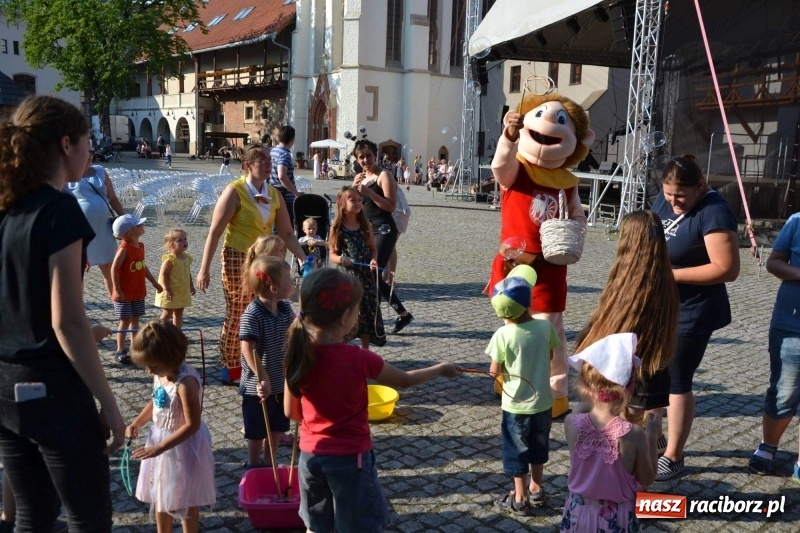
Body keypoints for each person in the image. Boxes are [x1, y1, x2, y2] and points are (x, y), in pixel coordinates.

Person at [0, 95, 125, 531]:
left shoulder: (7, 209)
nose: (91, 150)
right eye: (88, 139)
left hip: (4, 385)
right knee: (88, 519)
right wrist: (110, 405)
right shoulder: (59, 210)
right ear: (67, 143)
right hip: (51, 389)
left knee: (32, 517)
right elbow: (65, 320)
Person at [283, 268, 462, 532]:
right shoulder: (358, 358)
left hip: (310, 458)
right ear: (346, 317)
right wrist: (440, 368)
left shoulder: (298, 354)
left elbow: (291, 412)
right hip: (350, 458)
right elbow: (404, 380)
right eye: (356, 309)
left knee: (315, 526)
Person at [651, 155, 739, 480]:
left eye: (681, 196)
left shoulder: (714, 211)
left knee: (677, 379)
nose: (673, 202)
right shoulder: (665, 199)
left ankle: (674, 455)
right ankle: (656, 436)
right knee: (653, 372)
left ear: (700, 186)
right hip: (661, 306)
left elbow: (726, 269)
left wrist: (672, 275)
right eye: (668, 194)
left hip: (694, 310)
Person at [195, 143, 306, 384]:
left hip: (267, 260)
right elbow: (215, 232)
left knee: (269, 309)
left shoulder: (274, 193)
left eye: (269, 159)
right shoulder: (234, 191)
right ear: (247, 166)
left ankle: (262, 360)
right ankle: (231, 367)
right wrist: (204, 269)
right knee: (238, 313)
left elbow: (287, 233)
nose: (268, 164)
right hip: (237, 257)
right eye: (262, 160)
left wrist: (303, 258)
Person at [575, 210, 678, 445]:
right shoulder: (665, 279)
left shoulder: (631, 280)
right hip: (654, 369)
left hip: (633, 372)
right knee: (641, 429)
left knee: (626, 436)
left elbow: (615, 328)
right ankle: (654, 442)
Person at [561, 333, 658, 532]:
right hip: (617, 518)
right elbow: (647, 479)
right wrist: (652, 436)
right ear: (629, 387)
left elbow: (580, 409)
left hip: (578, 512)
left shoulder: (572, 423)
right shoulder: (635, 434)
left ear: (585, 386)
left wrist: (591, 398)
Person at [126, 321, 216, 533]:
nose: (149, 371)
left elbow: (192, 424)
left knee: (185, 496)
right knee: (160, 492)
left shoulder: (185, 384)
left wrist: (162, 447)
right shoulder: (161, 373)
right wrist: (137, 422)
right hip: (160, 441)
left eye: (153, 366)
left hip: (182, 445)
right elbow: (156, 401)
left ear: (171, 357)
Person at [487, 266, 559, 515]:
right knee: (539, 446)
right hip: (543, 403)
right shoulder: (544, 327)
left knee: (516, 450)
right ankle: (537, 489)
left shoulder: (502, 334)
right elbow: (549, 355)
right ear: (528, 302)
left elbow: (494, 372)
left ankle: (519, 496)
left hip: (515, 406)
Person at [748, 212, 800, 480]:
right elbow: (774, 263)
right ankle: (768, 446)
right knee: (783, 390)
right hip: (791, 326)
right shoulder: (797, 221)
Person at [352, 139, 414, 333]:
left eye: (368, 155)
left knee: (373, 274)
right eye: (361, 157)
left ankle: (390, 316)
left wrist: (369, 192)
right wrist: (352, 190)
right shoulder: (361, 177)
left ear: (375, 154)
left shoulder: (384, 175)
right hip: (368, 231)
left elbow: (390, 205)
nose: (365, 160)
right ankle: (399, 315)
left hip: (384, 229)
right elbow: (354, 205)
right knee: (371, 275)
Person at [239, 256, 294, 468]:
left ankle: (270, 462)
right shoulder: (252, 314)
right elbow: (247, 348)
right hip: (257, 387)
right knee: (256, 429)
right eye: (289, 280)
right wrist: (262, 378)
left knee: (276, 427)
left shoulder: (285, 308)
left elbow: (292, 335)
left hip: (281, 382)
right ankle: (253, 464)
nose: (293, 284)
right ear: (273, 287)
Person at [64, 154, 126, 298]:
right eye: (87, 151)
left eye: (92, 151)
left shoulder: (100, 171)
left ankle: (118, 303)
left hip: (103, 228)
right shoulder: (68, 174)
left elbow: (113, 198)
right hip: (81, 231)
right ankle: (77, 309)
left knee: (109, 267)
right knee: (78, 271)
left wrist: (124, 218)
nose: (89, 155)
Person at [329, 186, 382, 349]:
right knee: (347, 314)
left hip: (366, 278)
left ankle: (365, 351)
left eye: (360, 200)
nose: (358, 203)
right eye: (352, 200)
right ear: (342, 203)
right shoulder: (337, 228)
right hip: (347, 279)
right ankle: (342, 348)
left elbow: (373, 249)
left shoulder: (366, 225)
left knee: (367, 312)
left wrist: (373, 261)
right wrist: (340, 259)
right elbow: (331, 254)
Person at [111, 214, 163, 363]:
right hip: (124, 293)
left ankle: (136, 347)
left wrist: (153, 281)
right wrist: (118, 289)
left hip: (137, 291)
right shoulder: (124, 249)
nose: (142, 226)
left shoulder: (140, 246)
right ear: (131, 233)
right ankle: (120, 349)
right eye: (139, 224)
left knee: (135, 320)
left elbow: (142, 266)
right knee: (125, 320)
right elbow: (114, 269)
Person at [155, 228, 195, 328]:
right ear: (171, 245)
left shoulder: (187, 258)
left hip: (181, 291)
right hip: (171, 291)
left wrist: (191, 286)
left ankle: (177, 333)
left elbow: (187, 273)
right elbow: (163, 275)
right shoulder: (170, 259)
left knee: (179, 313)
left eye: (185, 239)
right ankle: (155, 329)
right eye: (180, 240)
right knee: (167, 313)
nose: (184, 242)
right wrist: (166, 289)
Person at [269, 125, 303, 228]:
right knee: (284, 226)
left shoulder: (272, 151)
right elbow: (282, 176)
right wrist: (295, 192)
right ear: (292, 139)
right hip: (284, 195)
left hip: (272, 191)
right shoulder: (285, 155)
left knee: (275, 224)